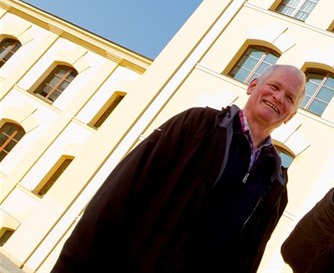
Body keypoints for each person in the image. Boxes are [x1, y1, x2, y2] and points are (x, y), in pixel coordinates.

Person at [52, 64, 306, 273]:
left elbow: (248, 257)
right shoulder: (196, 125)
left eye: (289, 98)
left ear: (291, 115)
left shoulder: (276, 182)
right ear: (252, 86)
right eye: (274, 87)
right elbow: (117, 196)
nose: (278, 98)